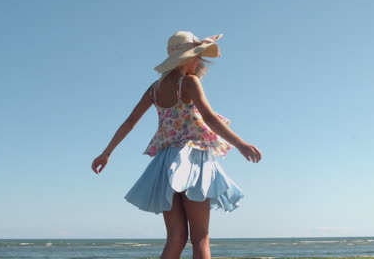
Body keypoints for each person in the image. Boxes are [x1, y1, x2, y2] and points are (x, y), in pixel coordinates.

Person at [91, 31, 262, 259]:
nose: (200, 61)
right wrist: (241, 144)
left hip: (164, 164)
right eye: (198, 56)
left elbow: (130, 122)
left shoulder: (155, 89)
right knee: (200, 237)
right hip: (192, 160)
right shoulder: (190, 82)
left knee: (176, 237)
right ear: (190, 58)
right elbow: (209, 118)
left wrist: (106, 153)